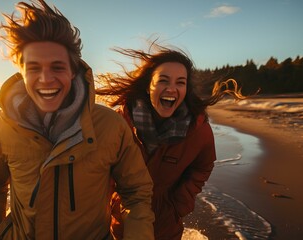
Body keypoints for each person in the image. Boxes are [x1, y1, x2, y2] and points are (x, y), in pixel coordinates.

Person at [0, 1, 155, 239]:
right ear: (21, 72)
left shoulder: (110, 125)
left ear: (73, 70)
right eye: (34, 68)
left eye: (57, 67)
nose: (46, 79)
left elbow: (137, 192)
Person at [96, 43, 246, 240]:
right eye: (163, 80)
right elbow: (101, 170)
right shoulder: (119, 123)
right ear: (148, 84)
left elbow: (203, 166)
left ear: (186, 89)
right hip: (121, 218)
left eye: (180, 82)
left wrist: (179, 203)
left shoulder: (198, 130)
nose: (172, 89)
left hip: (167, 220)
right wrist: (107, 205)